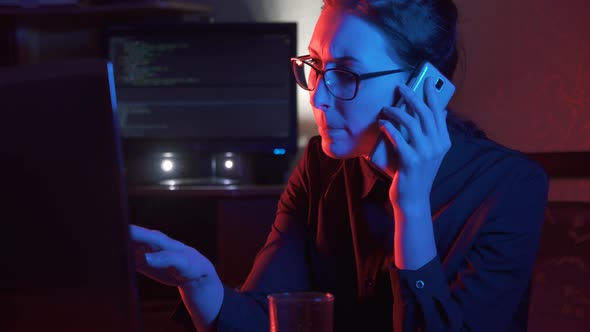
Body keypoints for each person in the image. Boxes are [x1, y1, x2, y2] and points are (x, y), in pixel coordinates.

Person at [130, 0, 549, 331]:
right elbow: (266, 315)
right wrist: (200, 283)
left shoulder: (510, 186)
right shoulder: (319, 166)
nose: (318, 98)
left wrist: (412, 208)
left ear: (423, 88)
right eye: (315, 66)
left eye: (346, 74)